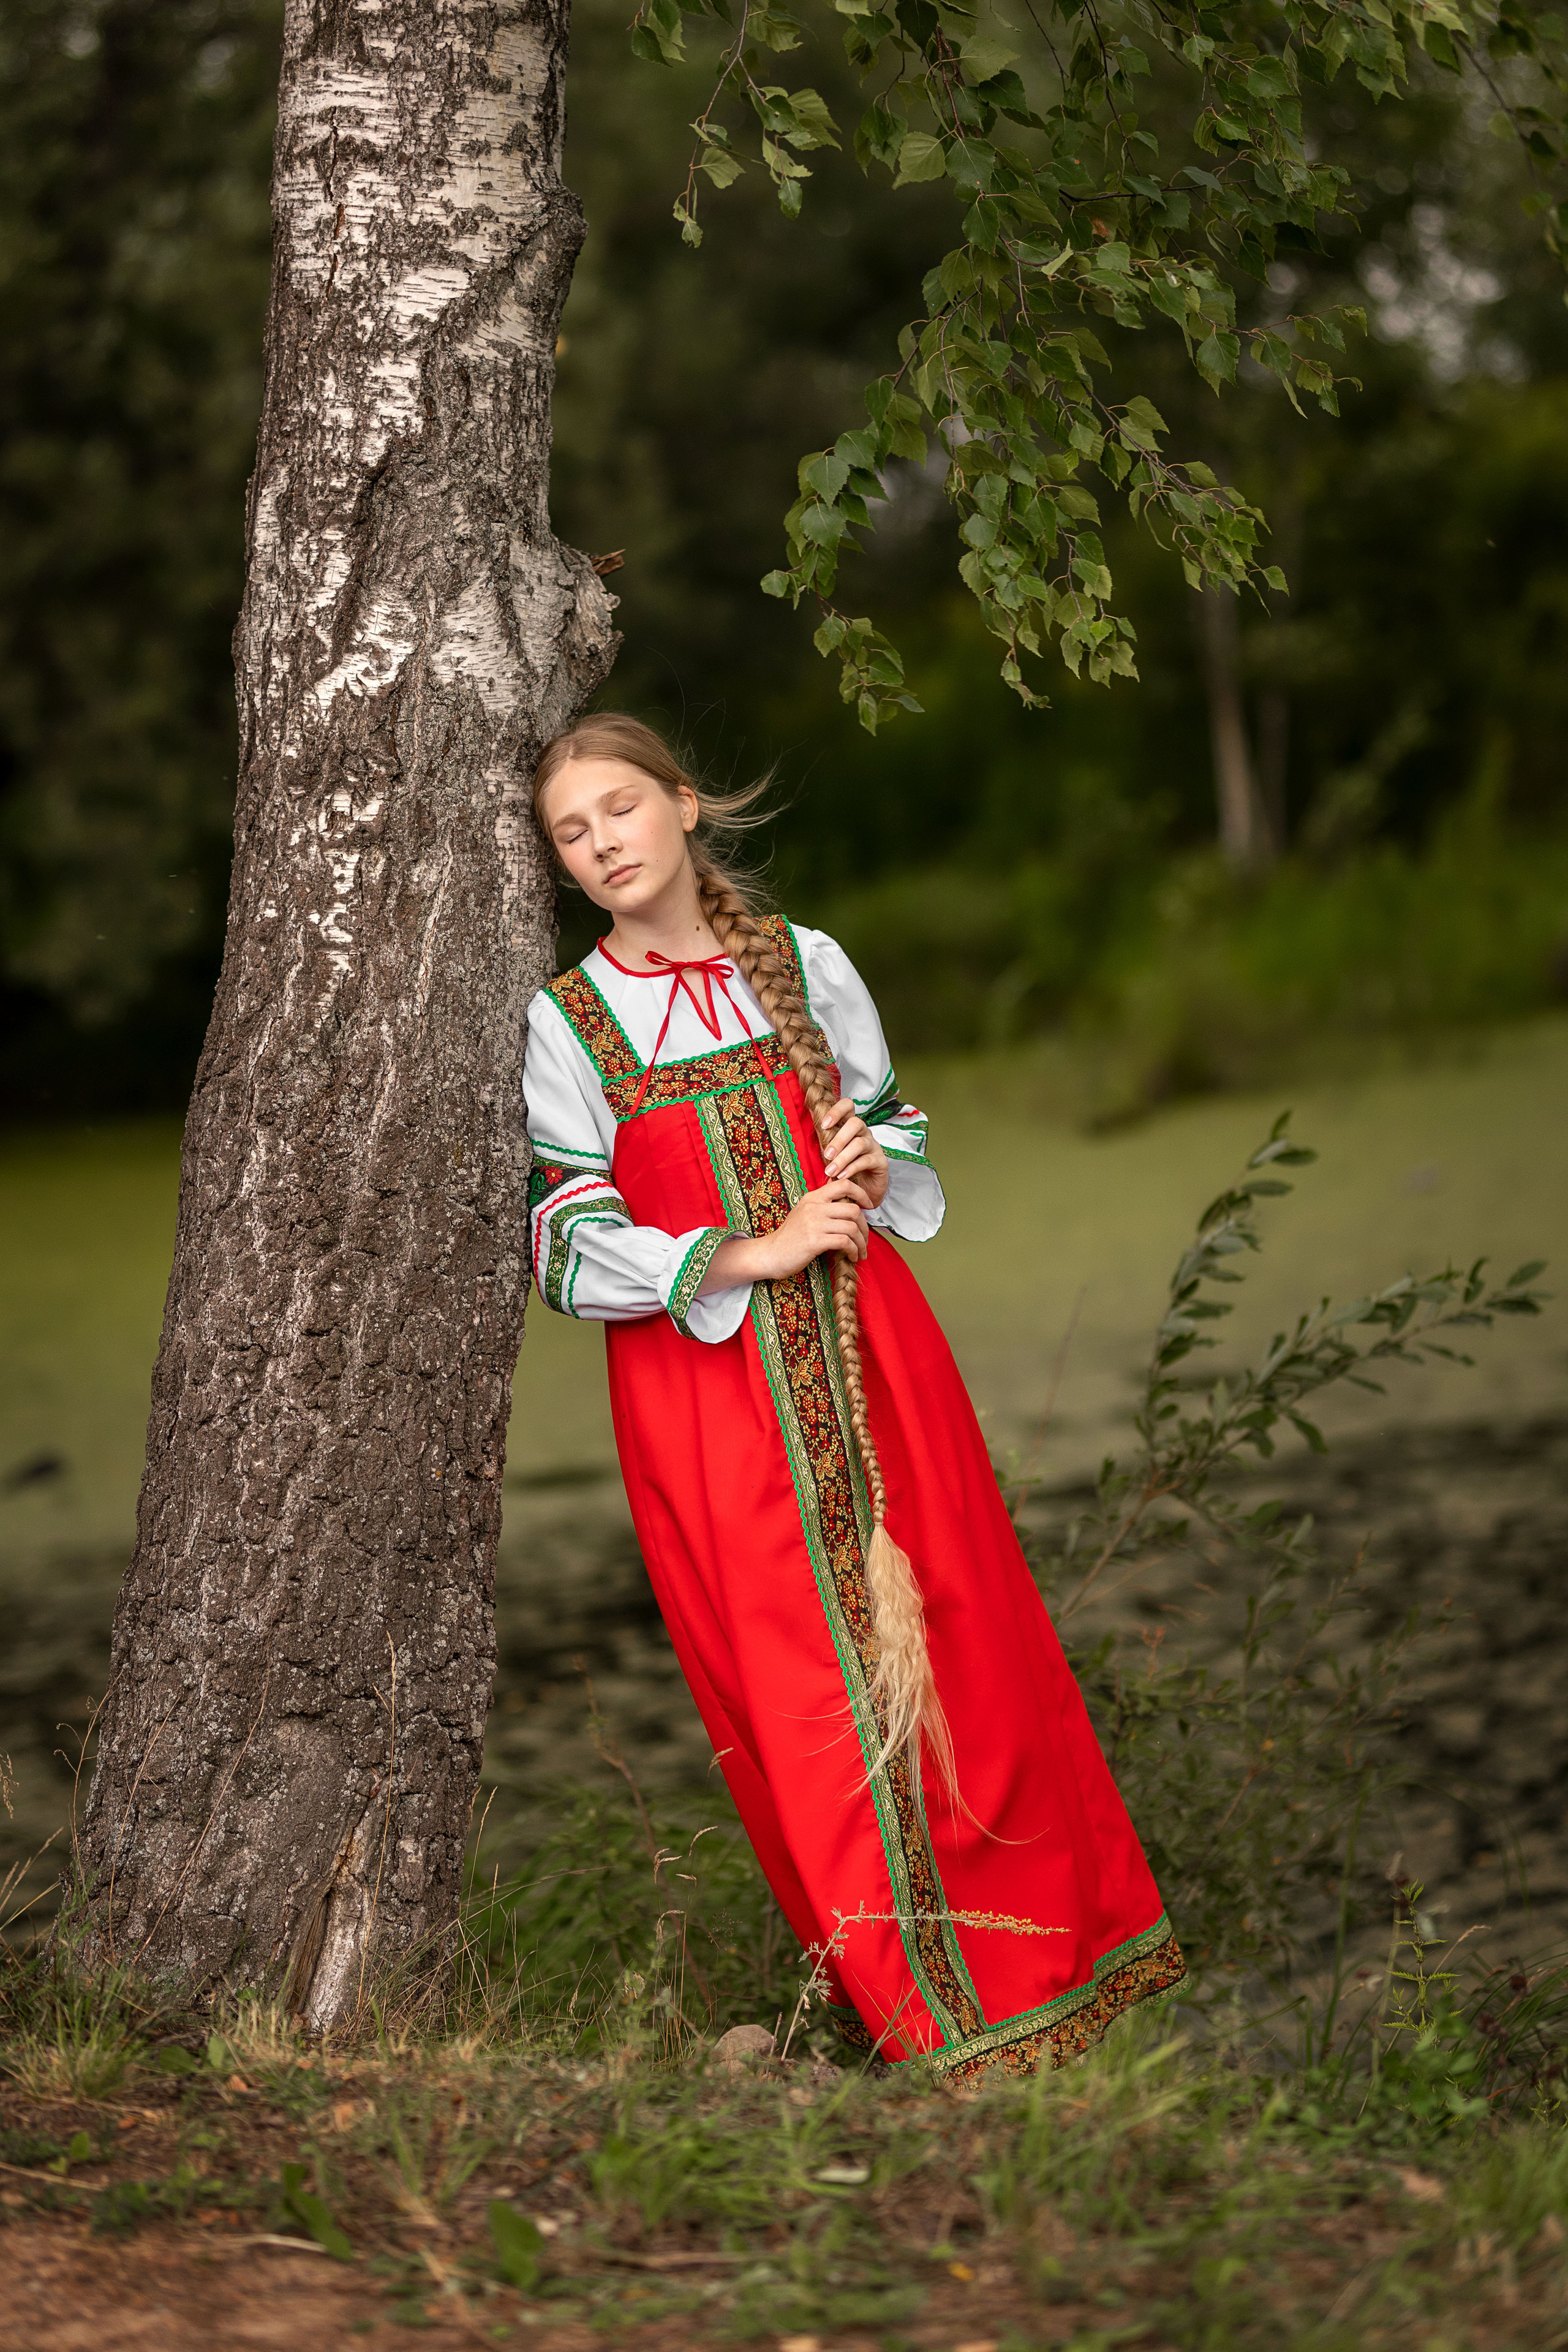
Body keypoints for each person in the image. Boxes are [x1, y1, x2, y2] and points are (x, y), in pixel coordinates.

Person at [521, 713, 1184, 2077]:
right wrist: (746, 1253)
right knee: (802, 1697)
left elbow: (894, 1120)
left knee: (965, 1654)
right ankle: (922, 2020)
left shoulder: (807, 964)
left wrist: (874, 1167)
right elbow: (565, 1239)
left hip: (877, 1358)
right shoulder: (565, 1019)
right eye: (571, 834)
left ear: (684, 807)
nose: (602, 846)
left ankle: (1054, 1984)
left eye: (619, 810)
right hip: (707, 1398)